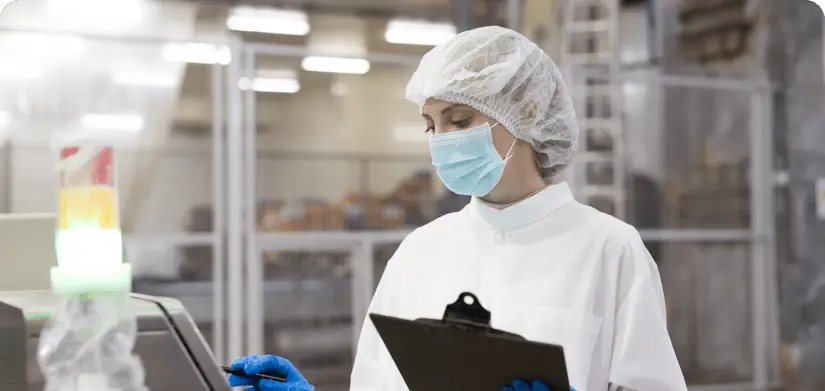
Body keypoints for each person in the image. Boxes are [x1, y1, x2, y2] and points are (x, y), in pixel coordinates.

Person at [228, 26, 687, 391]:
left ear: (525, 111)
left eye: (460, 121)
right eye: (431, 125)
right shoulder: (420, 251)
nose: (443, 141)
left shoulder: (609, 250)